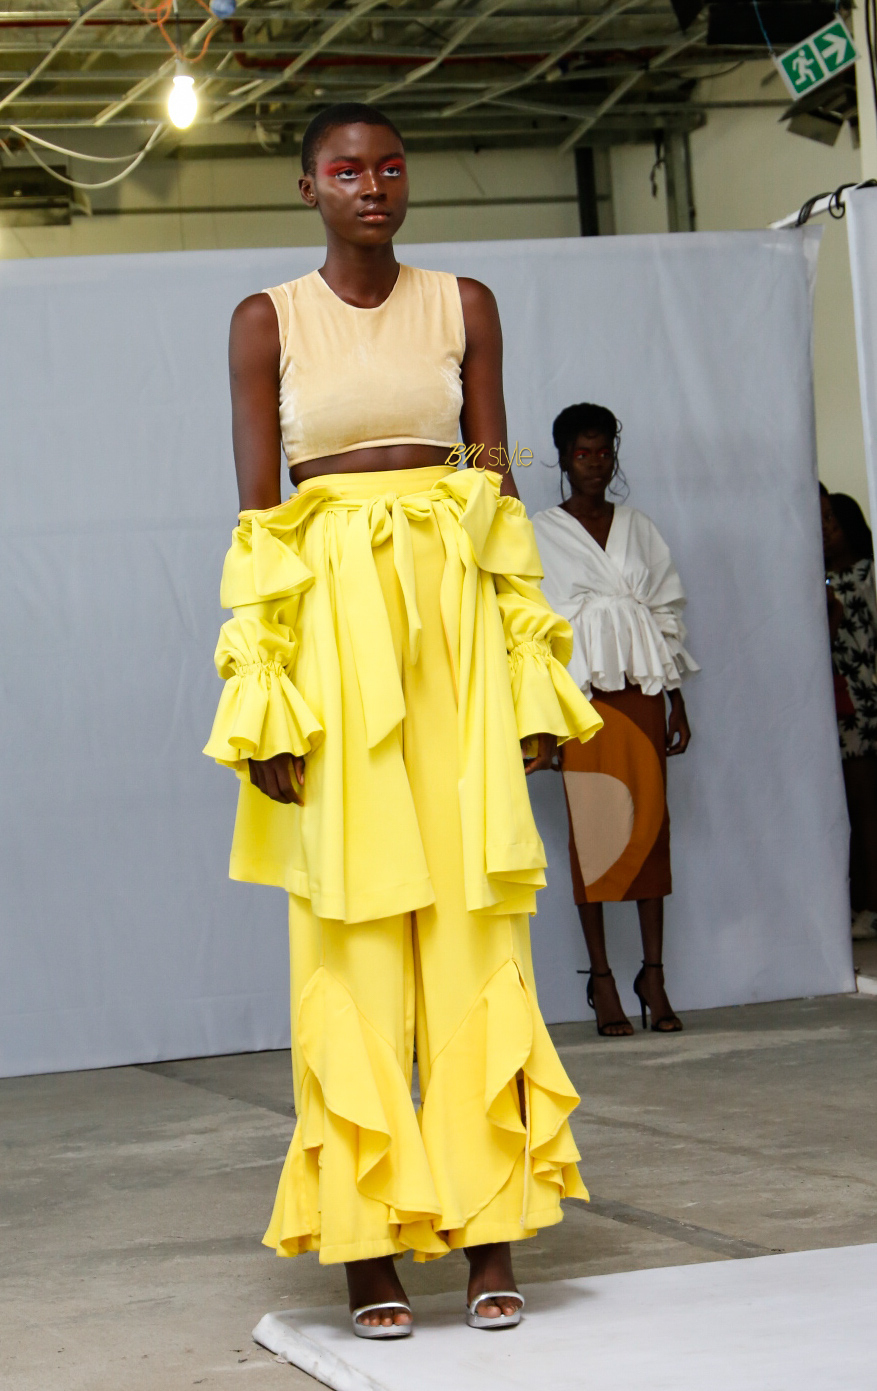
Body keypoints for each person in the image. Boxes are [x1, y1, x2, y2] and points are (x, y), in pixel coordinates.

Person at [203, 104, 603, 1338]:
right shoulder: (266, 320)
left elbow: (494, 482)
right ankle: (367, 1249)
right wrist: (265, 700)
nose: (371, 186)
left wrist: (529, 673)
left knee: (478, 927)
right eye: (345, 170)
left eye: (388, 167)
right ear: (308, 188)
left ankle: (489, 1234)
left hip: (455, 636)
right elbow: (258, 520)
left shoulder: (463, 303)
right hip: (333, 638)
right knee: (352, 935)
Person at [533, 403, 698, 1037]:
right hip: (583, 703)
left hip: (642, 693)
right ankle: (601, 978)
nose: (596, 464)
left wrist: (676, 699)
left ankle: (653, 975)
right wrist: (542, 721)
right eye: (583, 453)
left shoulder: (639, 527)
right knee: (595, 833)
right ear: (563, 458)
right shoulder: (542, 532)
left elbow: (663, 615)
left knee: (651, 830)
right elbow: (534, 633)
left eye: (605, 453)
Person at [820, 487, 877, 939]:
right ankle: (858, 901)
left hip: (861, 702)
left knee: (865, 807)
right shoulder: (817, 581)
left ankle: (870, 905)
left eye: (833, 524)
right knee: (848, 811)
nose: (825, 532)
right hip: (835, 703)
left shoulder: (866, 575)